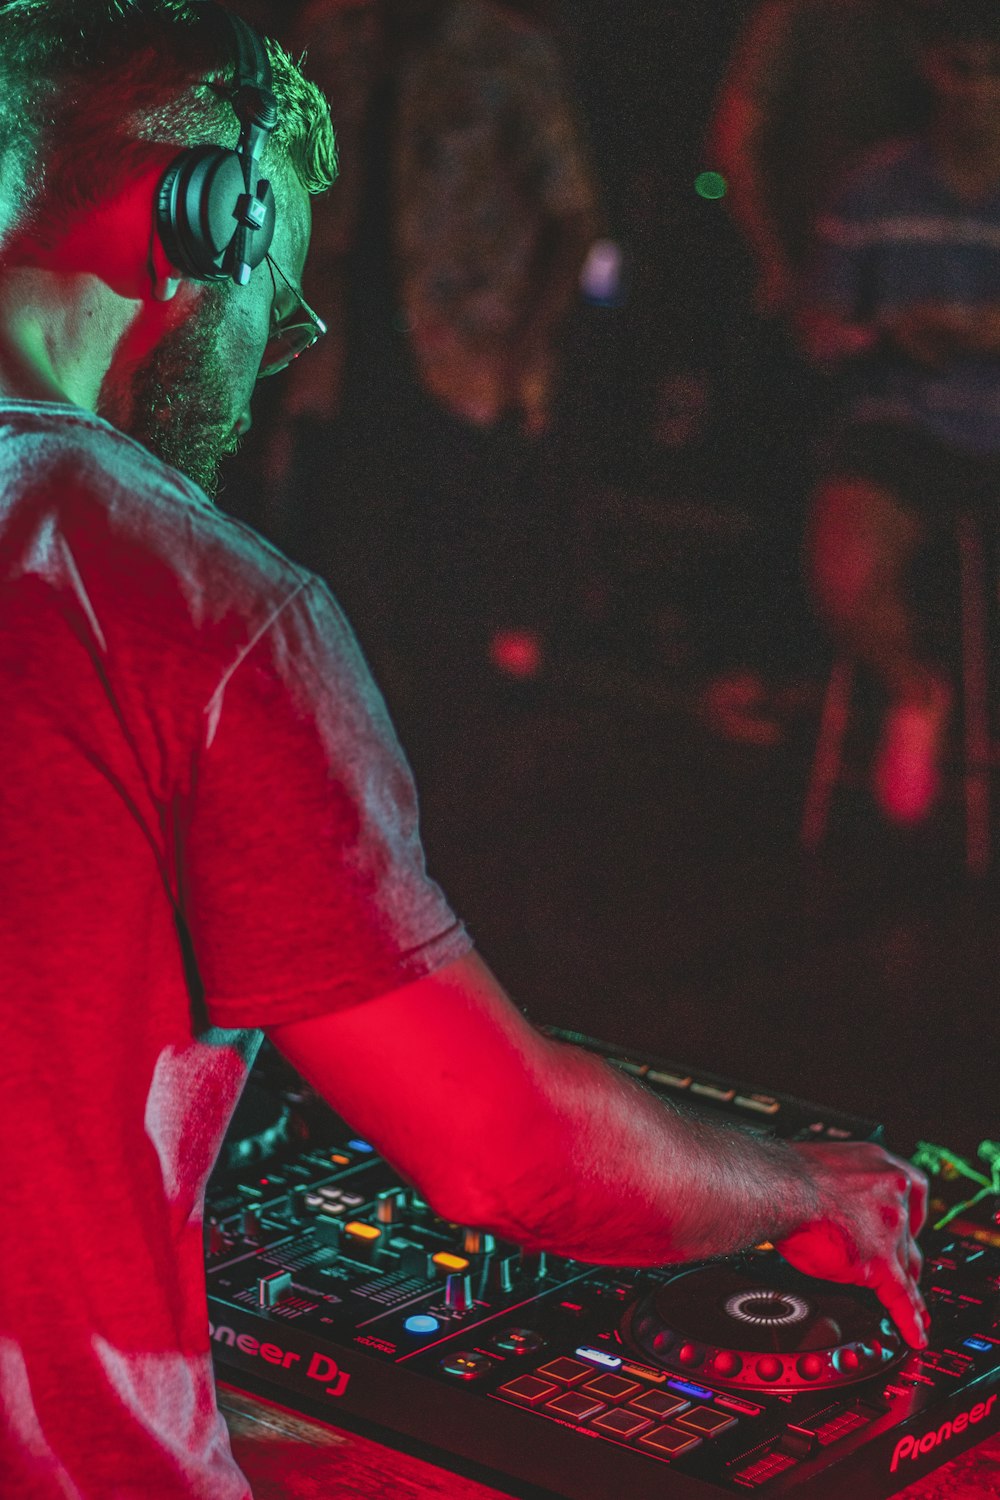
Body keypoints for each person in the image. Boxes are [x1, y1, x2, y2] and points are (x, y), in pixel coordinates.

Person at [0, 3, 927, 1497]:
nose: (270, 356)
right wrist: (799, 1184)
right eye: (279, 295)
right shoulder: (189, 598)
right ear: (205, 216)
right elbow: (507, 1156)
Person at [799, 0, 1000, 823]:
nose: (979, 92)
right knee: (841, 570)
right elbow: (818, 330)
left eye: (994, 73)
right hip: (905, 422)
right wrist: (890, 332)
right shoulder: (873, 187)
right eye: (964, 70)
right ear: (932, 68)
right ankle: (913, 693)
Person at [708, 0, 929, 318]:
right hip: (826, 269)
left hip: (901, 275)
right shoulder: (802, 15)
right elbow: (732, 143)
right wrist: (774, 261)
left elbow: (732, 143)